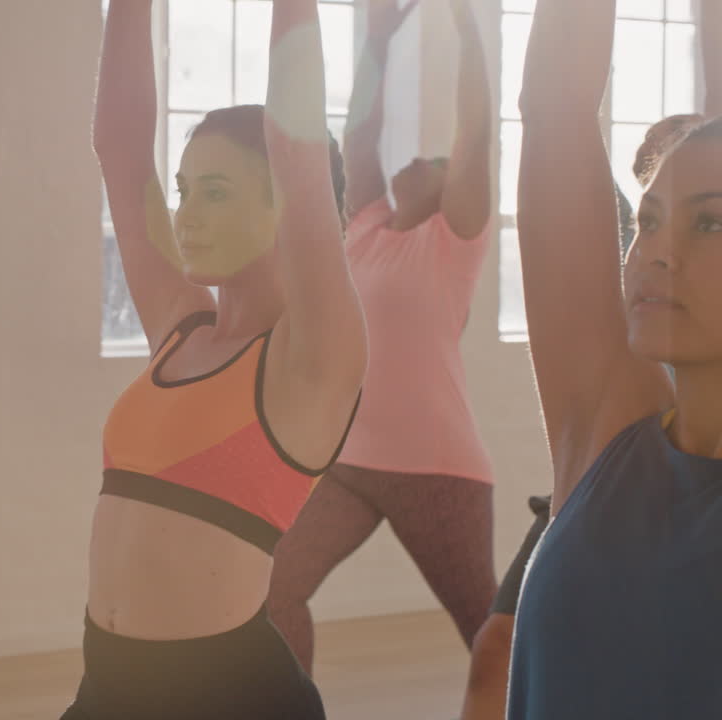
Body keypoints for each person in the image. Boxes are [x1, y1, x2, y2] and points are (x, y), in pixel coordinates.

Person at [62, 0, 367, 717]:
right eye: (184, 191)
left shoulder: (312, 361)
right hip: (107, 687)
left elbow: (298, 154)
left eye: (217, 192)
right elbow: (121, 147)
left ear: (282, 207)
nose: (185, 216)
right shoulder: (182, 326)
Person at [268, 0, 497, 672]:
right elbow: (358, 132)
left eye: (432, 160)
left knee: (488, 631)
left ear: (448, 185)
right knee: (272, 590)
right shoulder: (364, 227)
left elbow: (476, 134)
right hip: (346, 463)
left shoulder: (454, 242)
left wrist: (466, 31)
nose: (414, 161)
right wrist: (373, 41)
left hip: (438, 471)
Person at [508, 0, 722, 714]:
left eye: (709, 221)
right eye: (651, 218)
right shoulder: (609, 422)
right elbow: (555, 106)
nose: (658, 248)